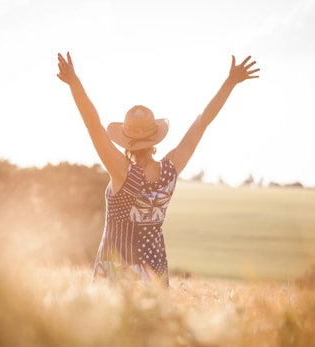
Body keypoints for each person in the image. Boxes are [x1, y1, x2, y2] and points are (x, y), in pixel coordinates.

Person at [57, 52, 260, 286]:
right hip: (154, 271)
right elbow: (202, 122)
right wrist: (230, 82)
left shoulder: (121, 172)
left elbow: (93, 125)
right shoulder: (170, 169)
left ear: (125, 139)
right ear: (155, 138)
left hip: (118, 271)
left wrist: (74, 82)